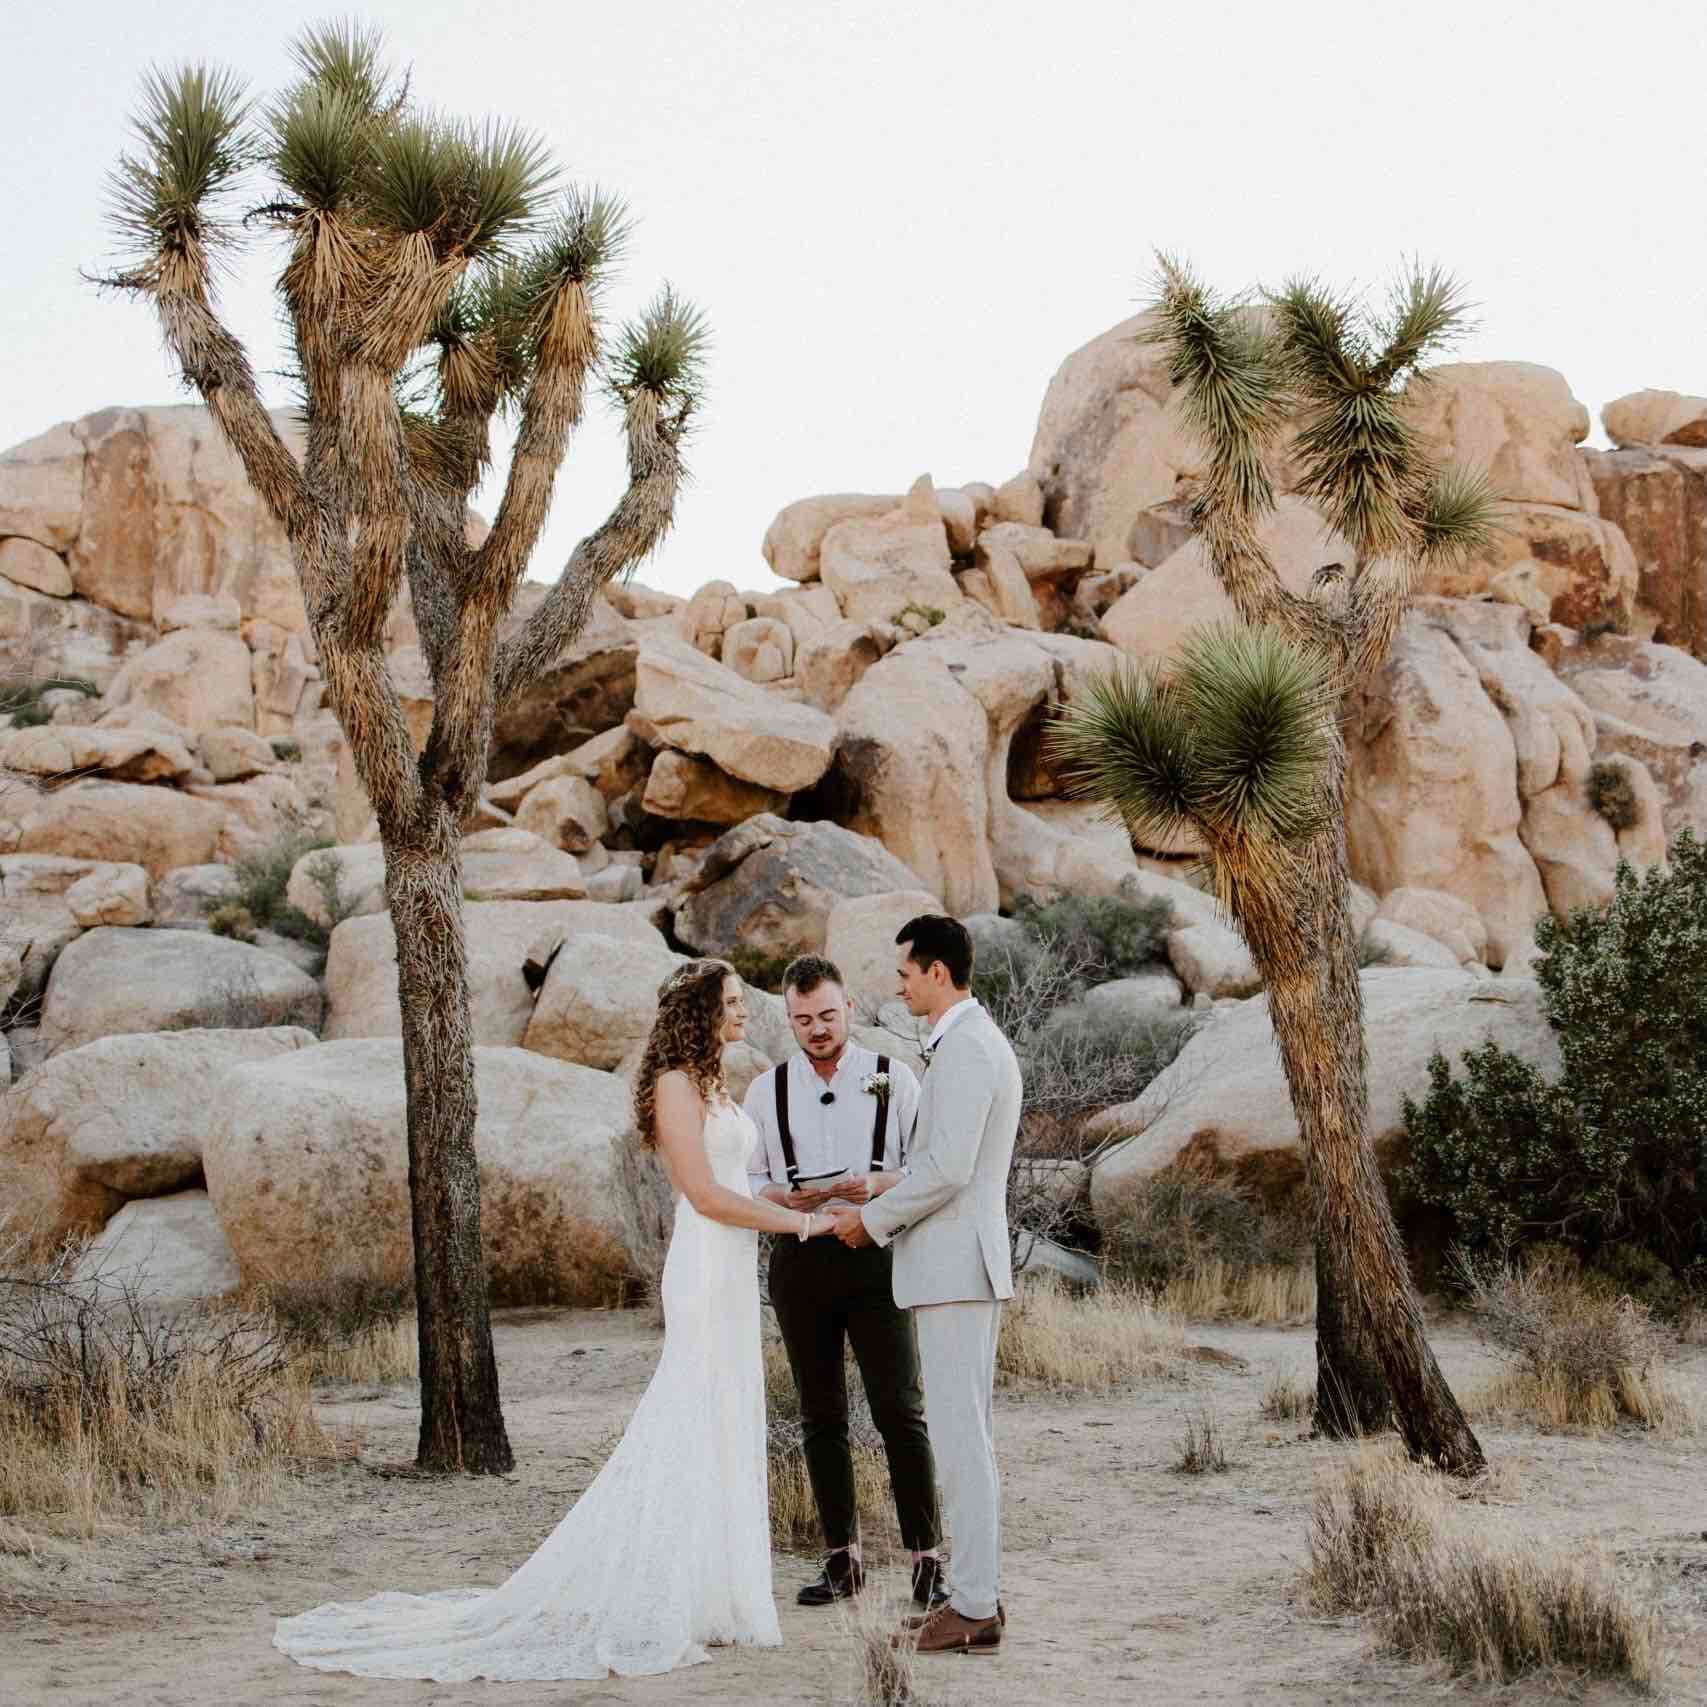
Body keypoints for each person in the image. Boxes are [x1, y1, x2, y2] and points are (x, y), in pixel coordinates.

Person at [273, 959, 838, 1683]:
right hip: (704, 1264)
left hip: (733, 1263)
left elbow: (739, 1185)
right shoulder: (672, 1084)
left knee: (731, 1413)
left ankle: (716, 1593)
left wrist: (801, 1202)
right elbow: (702, 1193)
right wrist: (806, 1228)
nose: (742, 1014)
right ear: (698, 1012)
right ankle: (666, 1589)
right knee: (691, 1412)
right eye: (730, 1003)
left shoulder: (715, 1082)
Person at [829, 915, 1021, 1656]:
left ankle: (972, 1604)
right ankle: (976, 1598)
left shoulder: (969, 1048)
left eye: (905, 971)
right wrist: (880, 1181)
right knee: (961, 1435)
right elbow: (942, 1161)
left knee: (961, 1439)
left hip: (954, 1269)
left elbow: (949, 1171)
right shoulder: (965, 1044)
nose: (897, 982)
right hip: (952, 1266)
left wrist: (870, 1220)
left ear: (937, 972)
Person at [744, 954, 946, 1613]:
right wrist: (783, 1194)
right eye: (803, 1019)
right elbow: (744, 1179)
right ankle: (841, 1561)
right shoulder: (764, 1091)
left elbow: (925, 1167)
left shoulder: (894, 1077)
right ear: (789, 1020)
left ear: (850, 1009)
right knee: (819, 1412)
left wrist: (876, 1185)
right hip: (800, 1261)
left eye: (827, 1014)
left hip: (876, 1254)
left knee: (899, 1410)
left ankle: (926, 1560)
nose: (817, 1028)